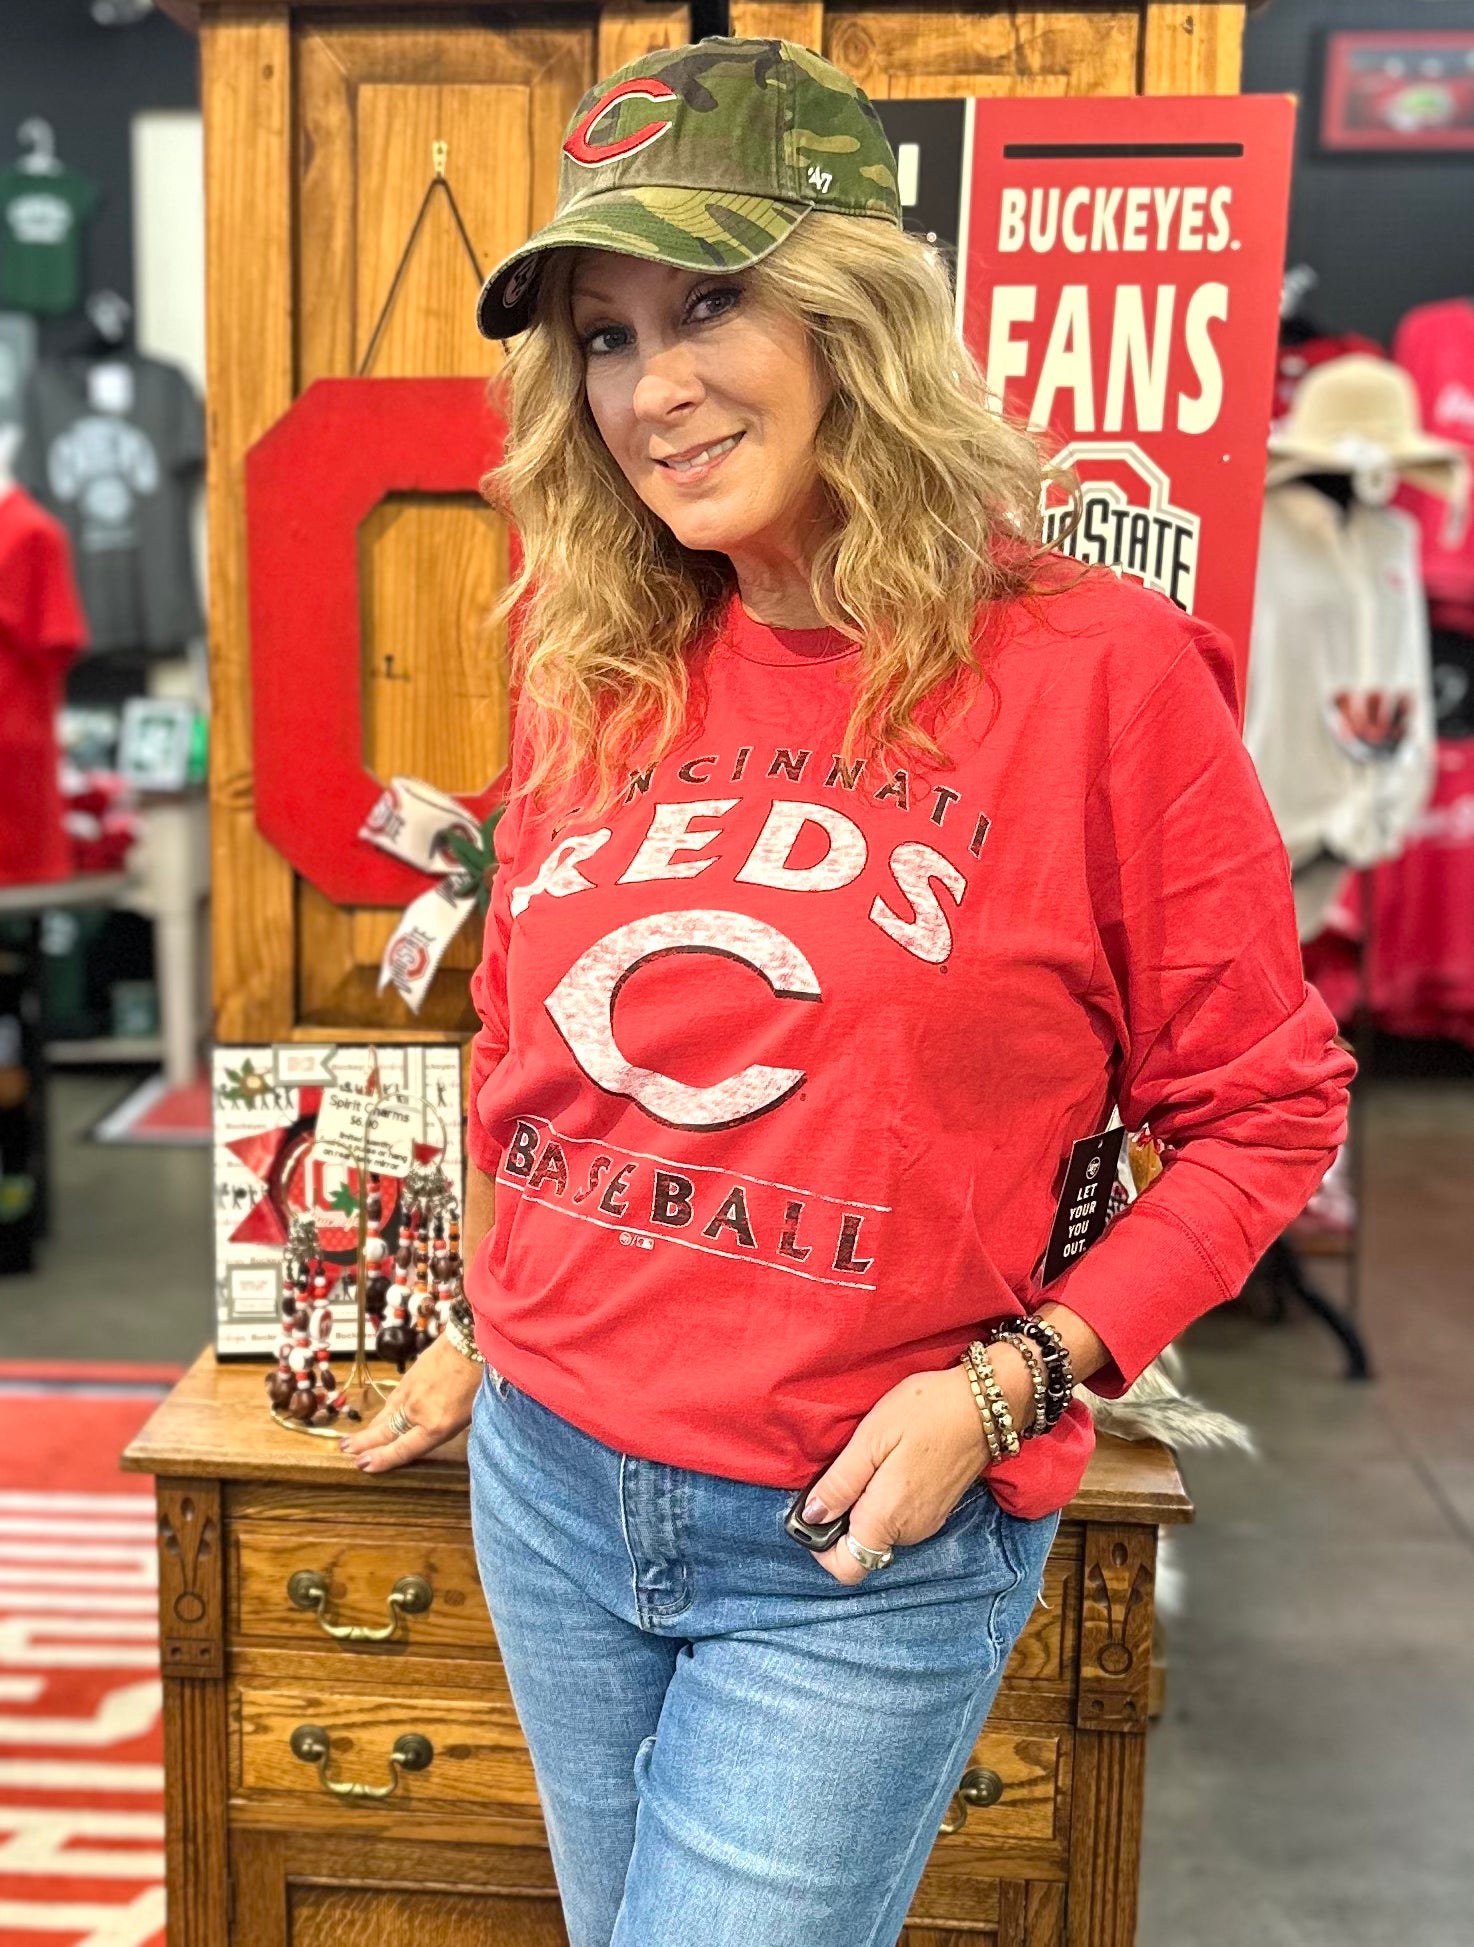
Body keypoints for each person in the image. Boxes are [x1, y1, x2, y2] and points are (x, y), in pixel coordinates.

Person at [342, 36, 1354, 1946]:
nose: (651, 386)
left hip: (851, 1540)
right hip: (550, 1481)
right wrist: (498, 1303)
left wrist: (1017, 1380)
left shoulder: (1098, 675)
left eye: (710, 301)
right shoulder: (593, 646)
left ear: (856, 314)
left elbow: (1265, 1108)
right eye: (600, 332)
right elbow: (522, 1046)